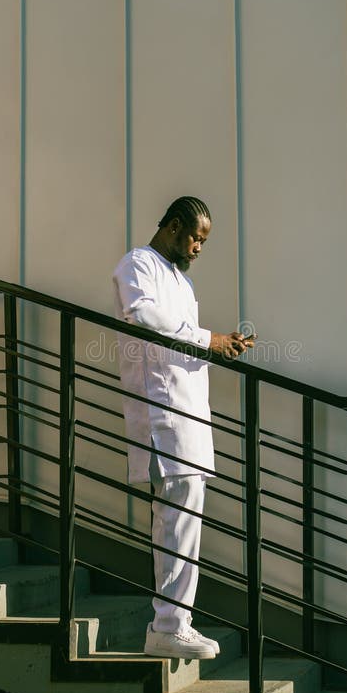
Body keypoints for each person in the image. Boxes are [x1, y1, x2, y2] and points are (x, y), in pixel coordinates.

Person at [112, 196, 255, 659]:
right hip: (163, 417)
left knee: (185, 520)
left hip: (189, 419)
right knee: (175, 520)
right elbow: (144, 317)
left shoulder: (181, 282)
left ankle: (177, 622)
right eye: (196, 237)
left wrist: (219, 343)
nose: (198, 248)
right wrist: (206, 339)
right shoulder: (140, 264)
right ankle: (168, 626)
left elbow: (181, 337)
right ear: (174, 226)